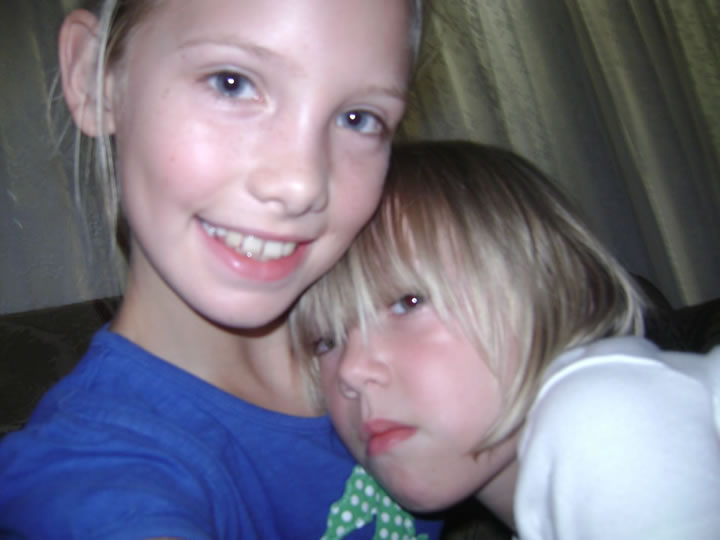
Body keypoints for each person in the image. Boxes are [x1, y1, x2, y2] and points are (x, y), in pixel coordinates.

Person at [0, 1, 445, 538]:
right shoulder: (90, 476)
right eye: (232, 83)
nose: (301, 183)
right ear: (95, 79)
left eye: (359, 118)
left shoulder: (424, 334)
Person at [292, 140, 720, 539]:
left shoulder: (608, 412)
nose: (350, 371)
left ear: (554, 289)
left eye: (408, 302)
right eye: (325, 341)